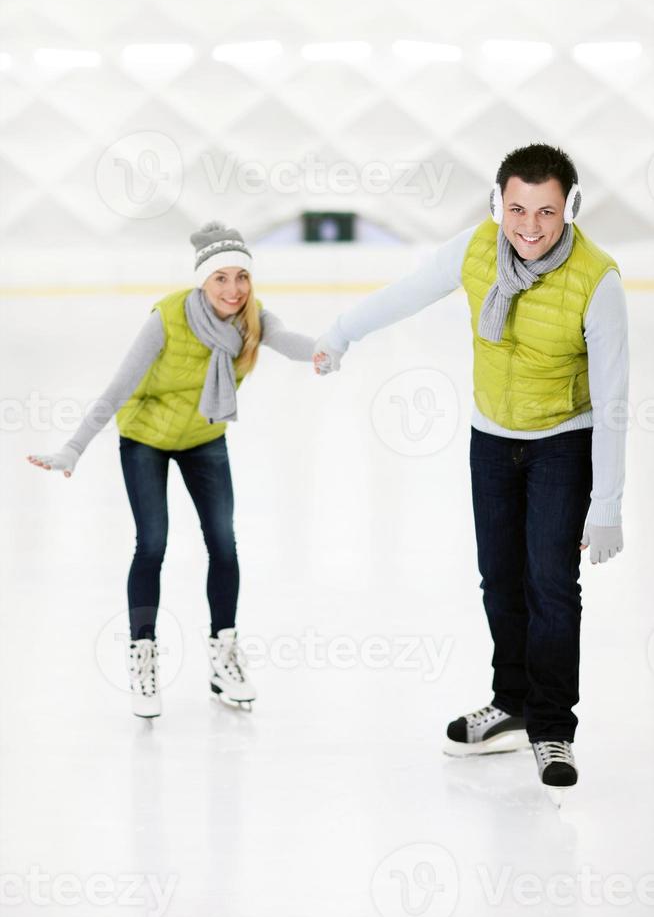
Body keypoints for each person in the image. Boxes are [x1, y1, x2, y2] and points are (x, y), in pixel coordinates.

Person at [312, 144, 628, 802]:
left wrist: (607, 502)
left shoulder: (598, 279)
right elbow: (409, 293)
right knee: (500, 580)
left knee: (551, 585)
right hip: (492, 442)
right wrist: (341, 331)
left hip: (561, 447)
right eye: (516, 208)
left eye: (546, 211)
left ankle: (550, 727)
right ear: (498, 203)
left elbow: (615, 398)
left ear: (569, 206)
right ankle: (509, 702)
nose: (530, 226)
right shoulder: (477, 248)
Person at [29, 221, 323, 719]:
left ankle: (222, 657)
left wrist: (331, 346)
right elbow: (118, 387)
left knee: (224, 542)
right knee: (153, 543)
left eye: (241, 277)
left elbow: (293, 341)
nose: (233, 290)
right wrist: (74, 448)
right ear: (202, 282)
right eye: (220, 279)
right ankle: (143, 657)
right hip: (145, 436)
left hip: (203, 438)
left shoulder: (253, 319)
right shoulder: (167, 317)